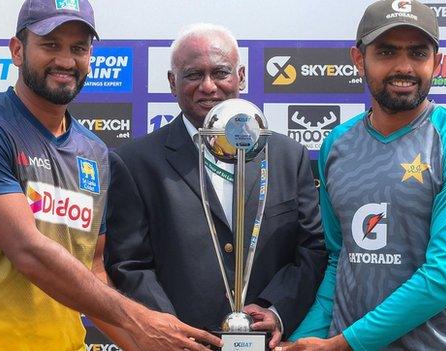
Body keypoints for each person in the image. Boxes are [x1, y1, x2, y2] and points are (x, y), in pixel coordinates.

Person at [0, 1, 222, 350]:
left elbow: (94, 270)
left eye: (79, 48)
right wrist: (142, 318)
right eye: (51, 45)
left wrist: (153, 343)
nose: (66, 61)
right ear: (18, 50)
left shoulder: (95, 153)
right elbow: (28, 251)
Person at [282, 1, 446, 350]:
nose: (404, 67)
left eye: (418, 53)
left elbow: (444, 277)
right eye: (386, 52)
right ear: (359, 59)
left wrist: (342, 344)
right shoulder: (337, 144)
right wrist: (302, 338)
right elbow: (341, 260)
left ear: (437, 62)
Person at [105, 23, 327, 349]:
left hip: (269, 343)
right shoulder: (135, 162)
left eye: (221, 73)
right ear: (172, 82)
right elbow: (130, 263)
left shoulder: (286, 155)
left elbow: (311, 249)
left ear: (241, 76)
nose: (208, 87)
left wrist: (278, 309)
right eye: (193, 75)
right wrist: (171, 330)